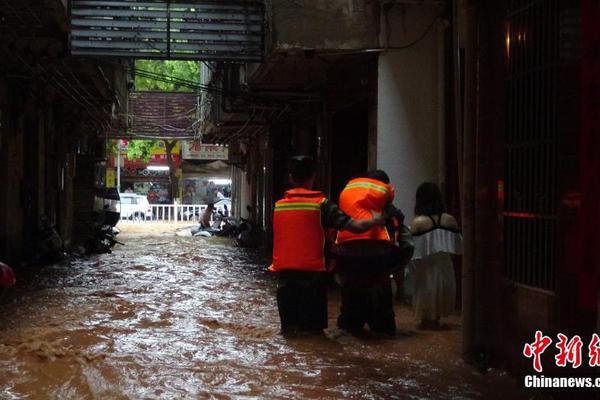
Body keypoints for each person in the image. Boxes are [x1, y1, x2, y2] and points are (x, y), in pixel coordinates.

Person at [269, 156, 385, 335]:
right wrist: (375, 220)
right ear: (313, 176)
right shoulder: (322, 205)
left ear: (290, 178)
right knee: (314, 337)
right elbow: (355, 226)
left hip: (285, 280)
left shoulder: (278, 206)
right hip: (313, 281)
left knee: (288, 336)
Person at [333, 170, 402, 336]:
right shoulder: (386, 202)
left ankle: (350, 323)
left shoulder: (348, 194)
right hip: (377, 254)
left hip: (347, 253)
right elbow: (400, 225)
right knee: (382, 311)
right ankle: (380, 325)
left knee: (350, 301)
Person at [410, 182, 463, 329]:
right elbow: (458, 246)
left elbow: (412, 251)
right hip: (446, 266)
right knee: (438, 311)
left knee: (425, 319)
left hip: (426, 269)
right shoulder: (450, 220)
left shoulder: (418, 222)